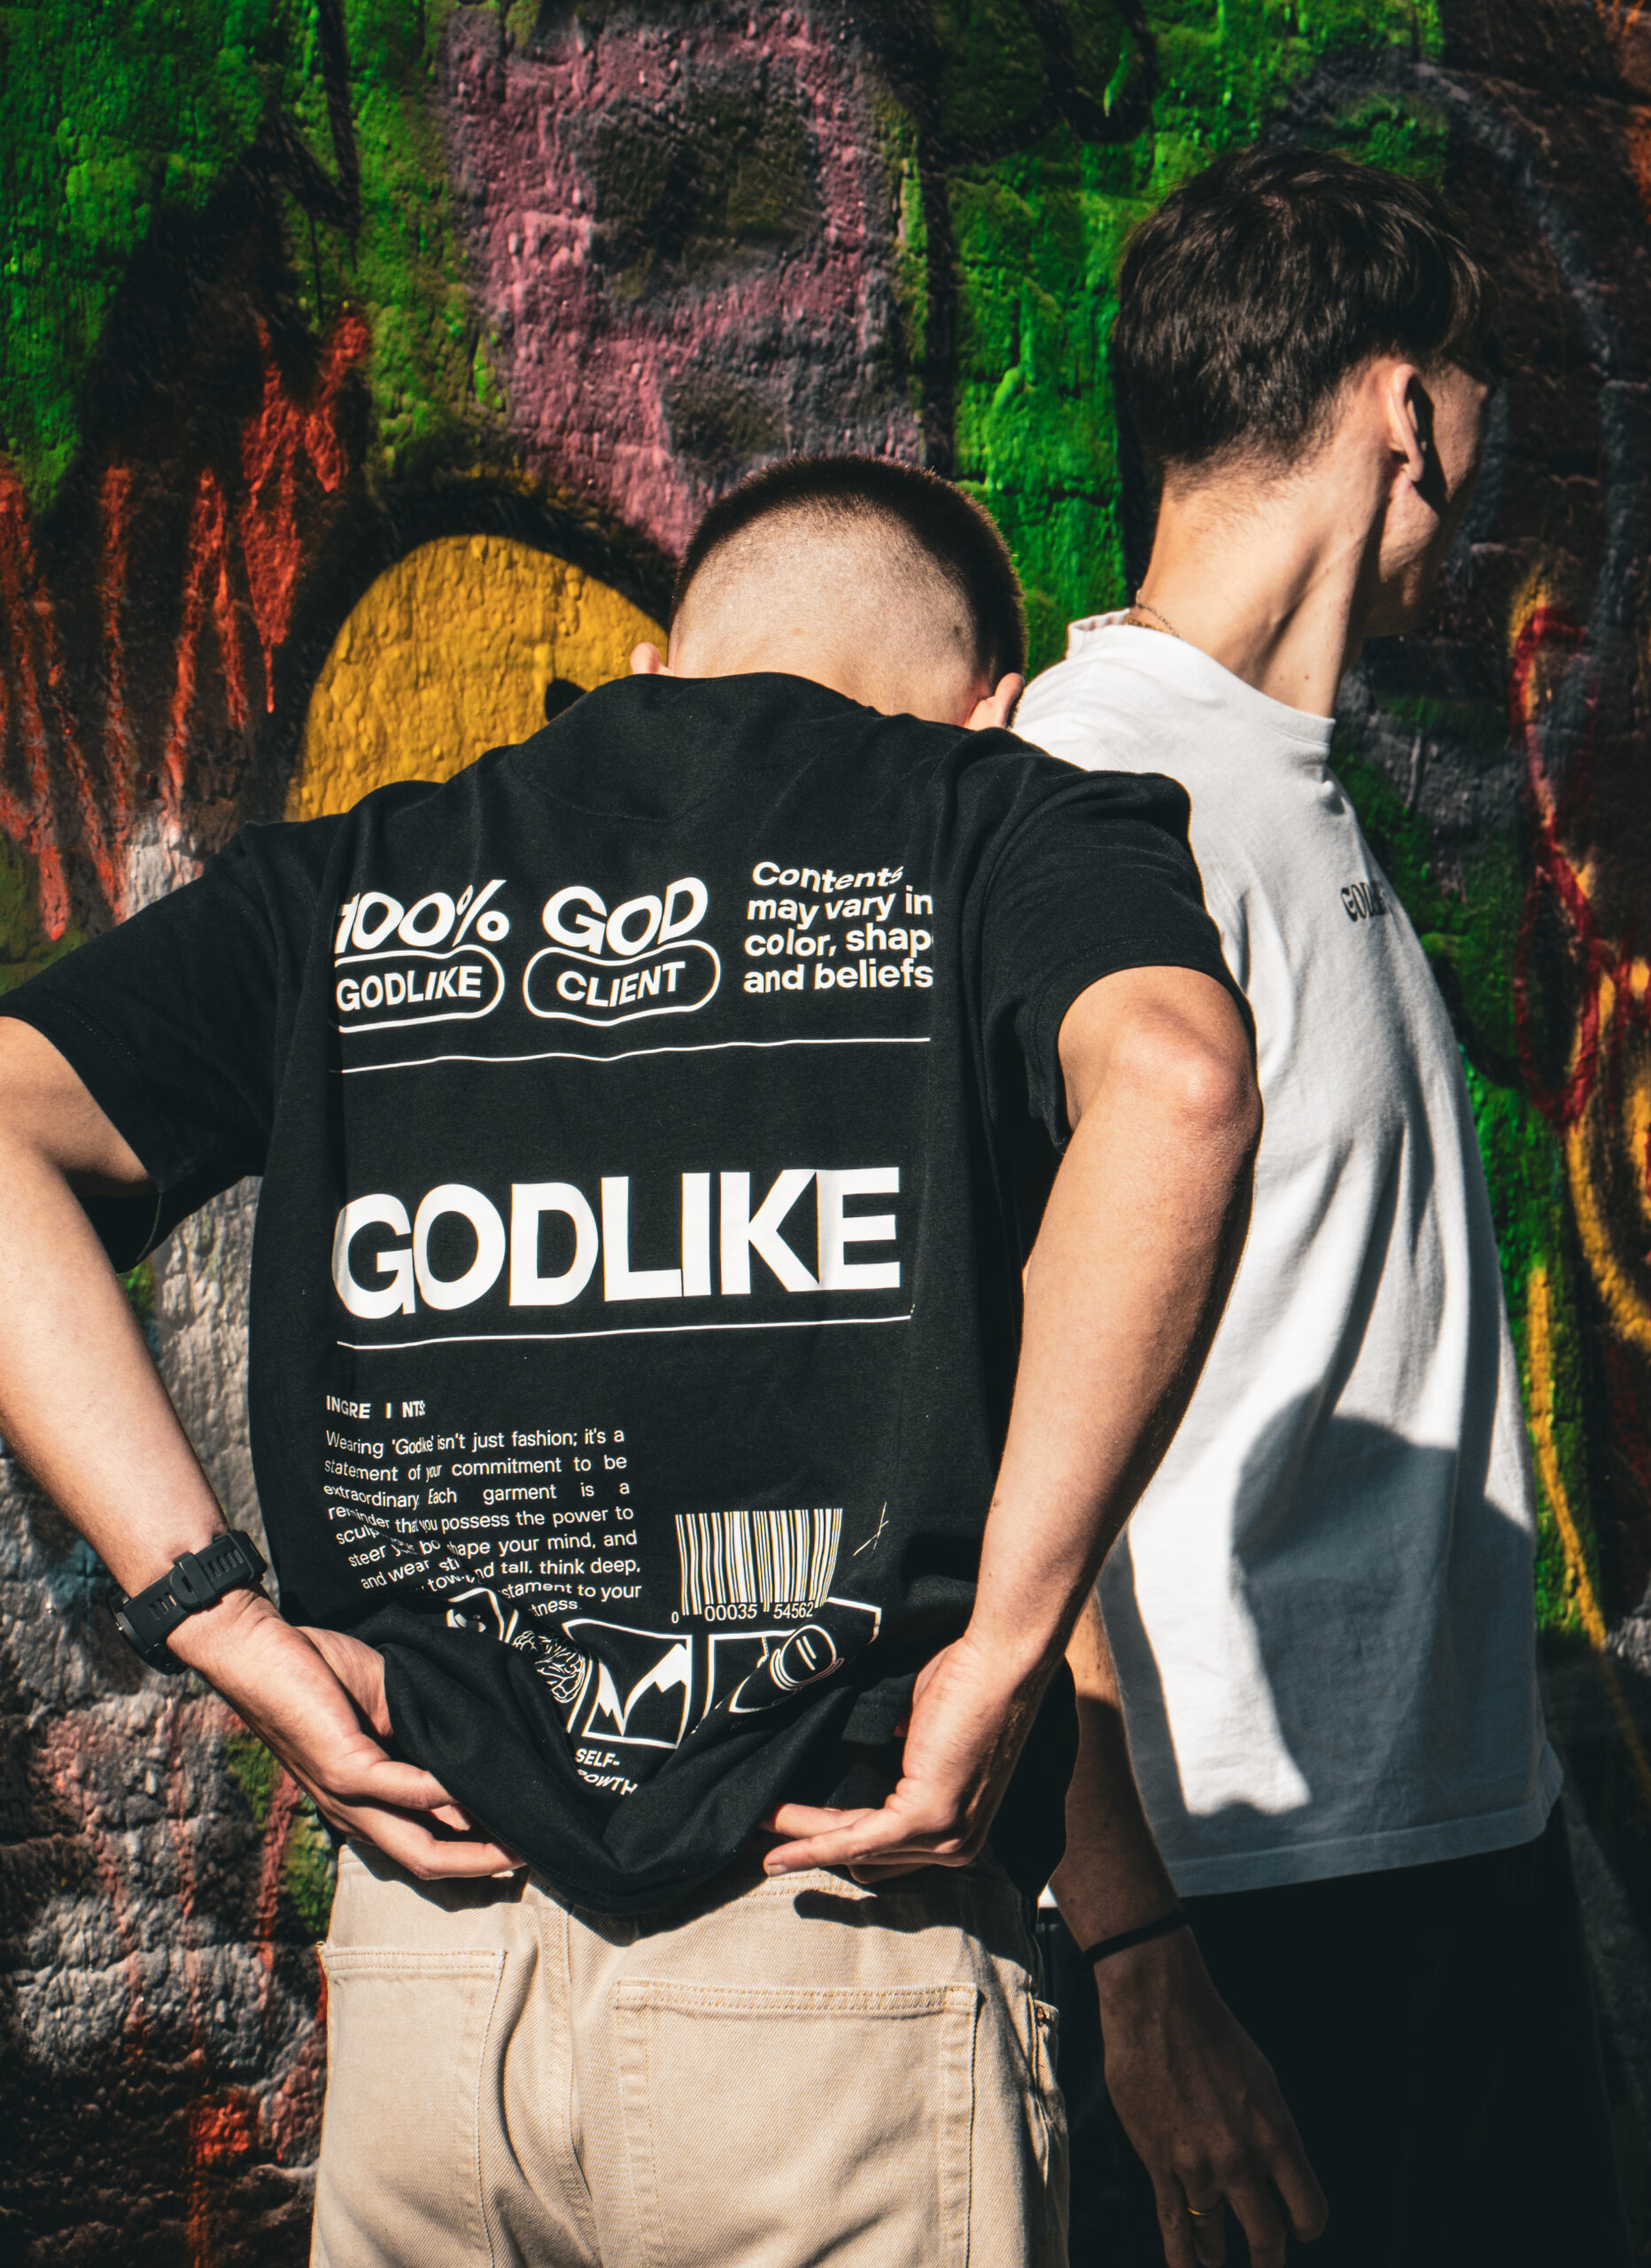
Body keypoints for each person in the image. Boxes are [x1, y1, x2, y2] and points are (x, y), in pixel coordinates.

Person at [0, 455, 1306, 2268]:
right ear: (986, 703)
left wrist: (212, 1616)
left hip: (428, 1974)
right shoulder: (1000, 820)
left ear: (651, 662)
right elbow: (1178, 1080)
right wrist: (1008, 1647)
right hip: (835, 1945)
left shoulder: (356, 879)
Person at [1016, 149, 1632, 2268]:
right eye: (1473, 398)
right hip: (1243, 1898)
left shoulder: (1275, 774)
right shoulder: (1097, 794)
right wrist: (1131, 1953)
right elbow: (983, 1414)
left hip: (1440, 1836)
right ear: (1400, 412)